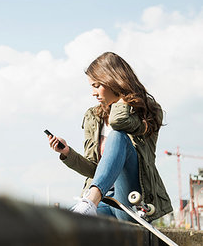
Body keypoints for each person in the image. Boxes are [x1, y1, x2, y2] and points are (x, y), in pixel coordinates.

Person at [48, 52, 172, 222]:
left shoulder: (147, 110)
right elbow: (95, 170)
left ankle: (89, 203)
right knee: (66, 222)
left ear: (113, 81)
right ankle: (88, 204)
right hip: (105, 202)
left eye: (97, 85)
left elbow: (117, 122)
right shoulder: (94, 116)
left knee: (118, 136)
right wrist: (68, 153)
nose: (93, 93)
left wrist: (122, 98)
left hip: (131, 201)